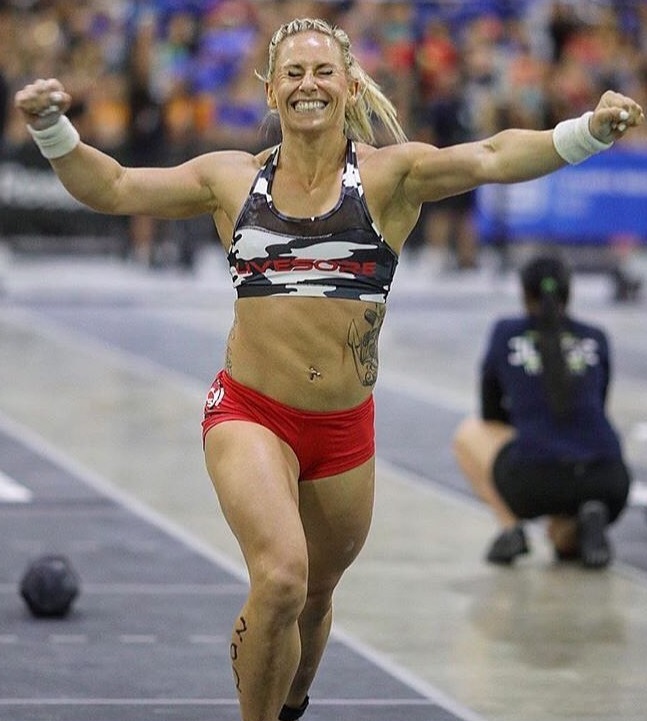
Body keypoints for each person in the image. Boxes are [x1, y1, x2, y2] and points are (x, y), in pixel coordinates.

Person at [14, 16, 643, 721]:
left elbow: (494, 155)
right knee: (281, 578)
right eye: (293, 73)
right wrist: (52, 130)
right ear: (271, 89)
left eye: (321, 71)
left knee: (314, 599)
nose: (308, 84)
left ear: (347, 86)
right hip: (250, 412)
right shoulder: (231, 179)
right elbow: (118, 186)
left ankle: (291, 707)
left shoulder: (389, 177)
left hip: (344, 430)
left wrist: (587, 130)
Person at [453, 254, 632, 570]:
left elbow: (490, 414)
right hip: (610, 478)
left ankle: (511, 529)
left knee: (469, 433)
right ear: (569, 292)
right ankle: (584, 520)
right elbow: (597, 405)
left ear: (524, 293)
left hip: (535, 480)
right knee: (560, 537)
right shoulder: (595, 337)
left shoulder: (506, 333)